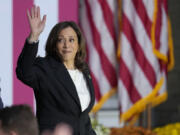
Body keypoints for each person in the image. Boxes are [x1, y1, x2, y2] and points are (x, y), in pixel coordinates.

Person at [16, 5, 96, 135]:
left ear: (78, 44)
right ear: (54, 44)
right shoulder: (45, 68)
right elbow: (24, 73)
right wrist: (34, 36)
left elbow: (82, 117)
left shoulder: (84, 71)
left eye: (71, 40)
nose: (66, 45)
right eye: (61, 40)